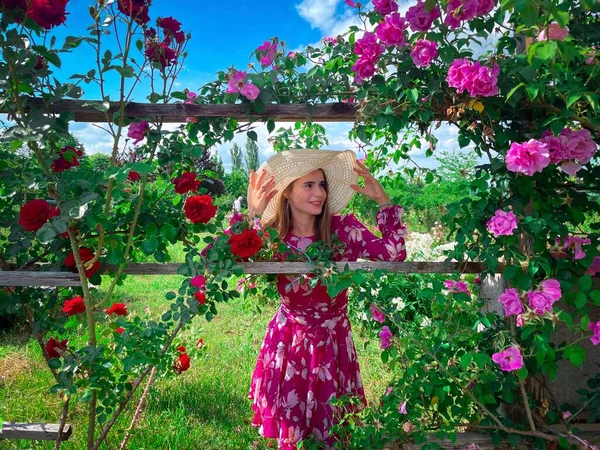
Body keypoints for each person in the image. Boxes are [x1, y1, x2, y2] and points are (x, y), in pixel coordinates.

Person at [245, 149, 407, 449]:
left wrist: (383, 201)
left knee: (335, 426)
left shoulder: (342, 229)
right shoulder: (272, 239)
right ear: (287, 193)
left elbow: (394, 254)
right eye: (308, 185)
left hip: (333, 340)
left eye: (322, 185)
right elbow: (223, 256)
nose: (319, 192)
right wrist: (252, 215)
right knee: (292, 427)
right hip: (290, 337)